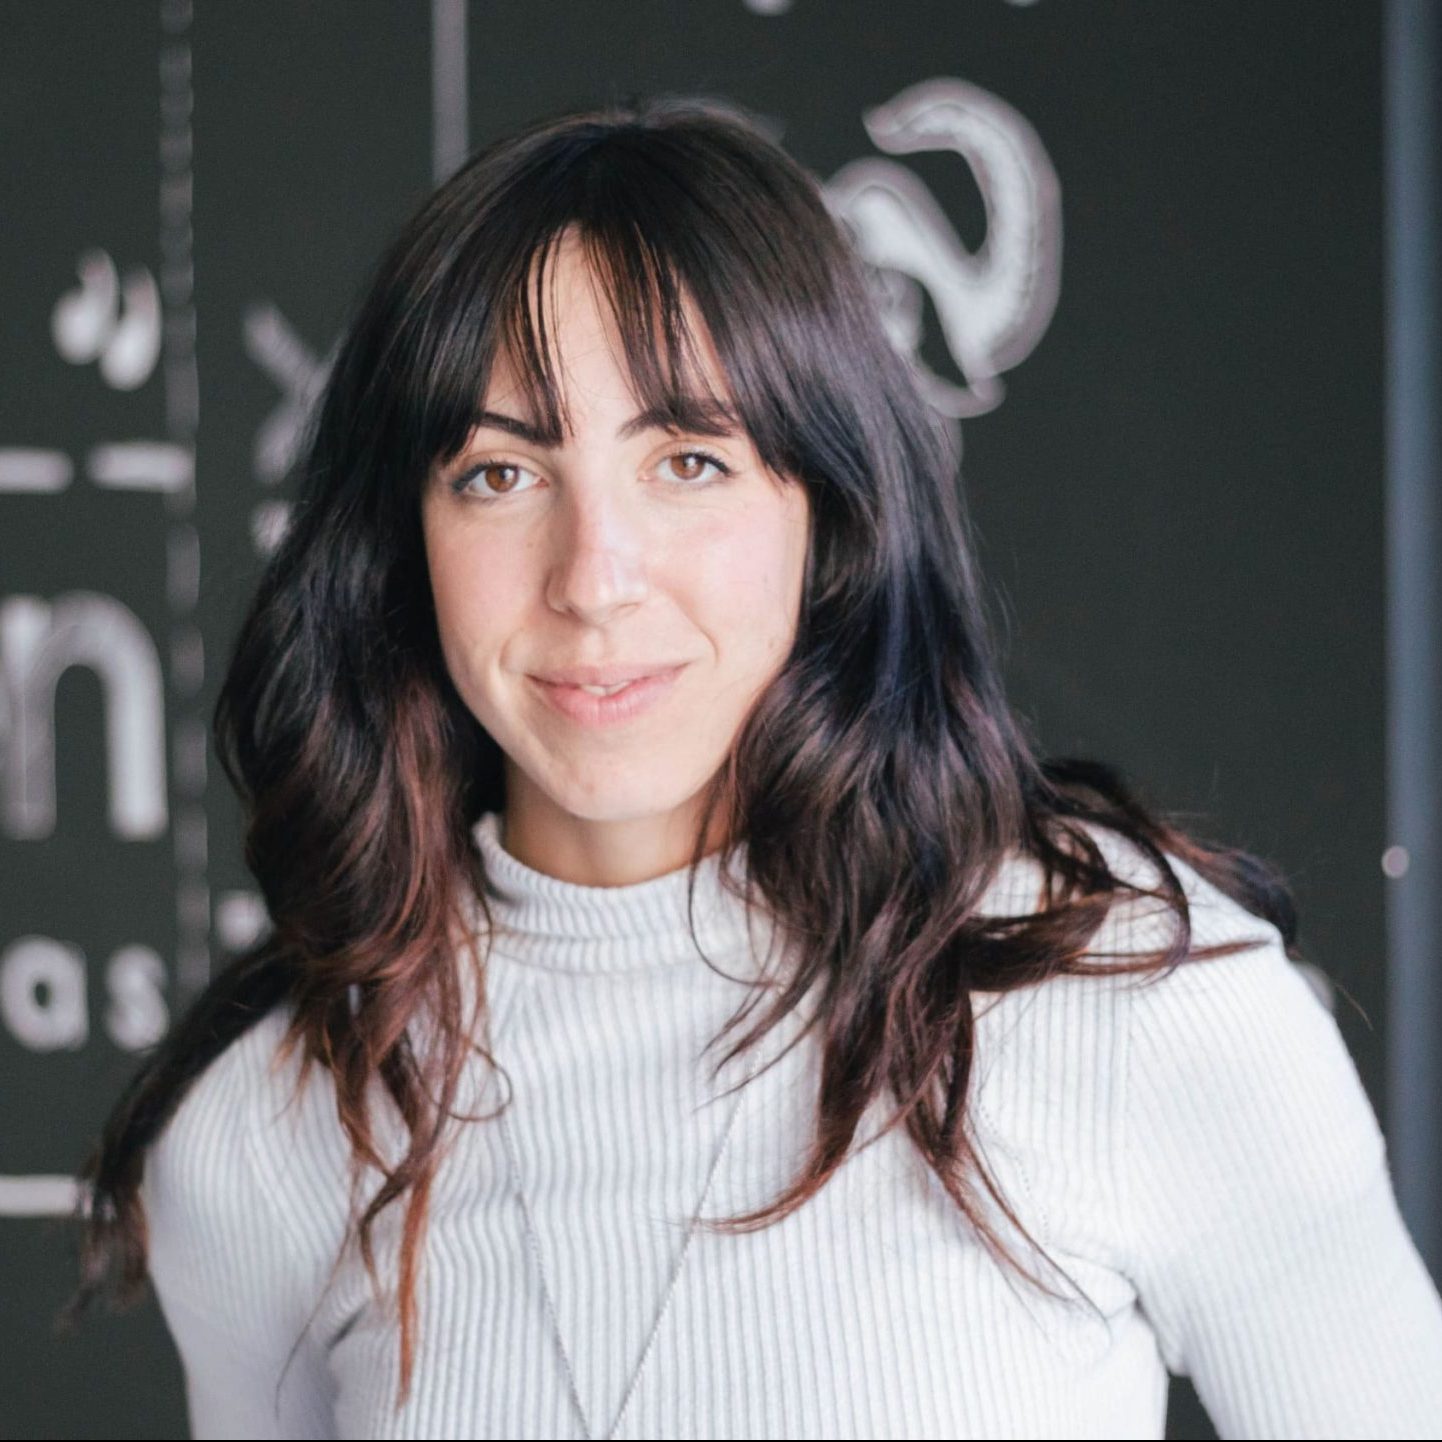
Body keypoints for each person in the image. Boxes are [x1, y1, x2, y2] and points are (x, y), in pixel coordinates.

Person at [64, 96, 1442, 1440]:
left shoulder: (1124, 995)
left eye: (688, 461)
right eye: (499, 473)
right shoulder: (266, 1131)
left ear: (824, 509)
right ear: (403, 540)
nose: (594, 578)